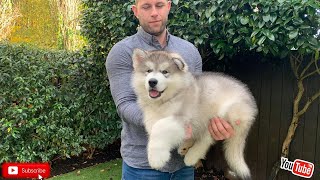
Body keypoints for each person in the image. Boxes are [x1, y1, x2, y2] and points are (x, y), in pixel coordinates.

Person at [106, 0, 238, 179]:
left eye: (159, 5)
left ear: (168, 6)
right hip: (143, 167)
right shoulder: (123, 51)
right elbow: (125, 105)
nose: (154, 12)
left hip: (182, 165)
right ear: (135, 11)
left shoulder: (189, 51)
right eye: (146, 6)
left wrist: (216, 125)